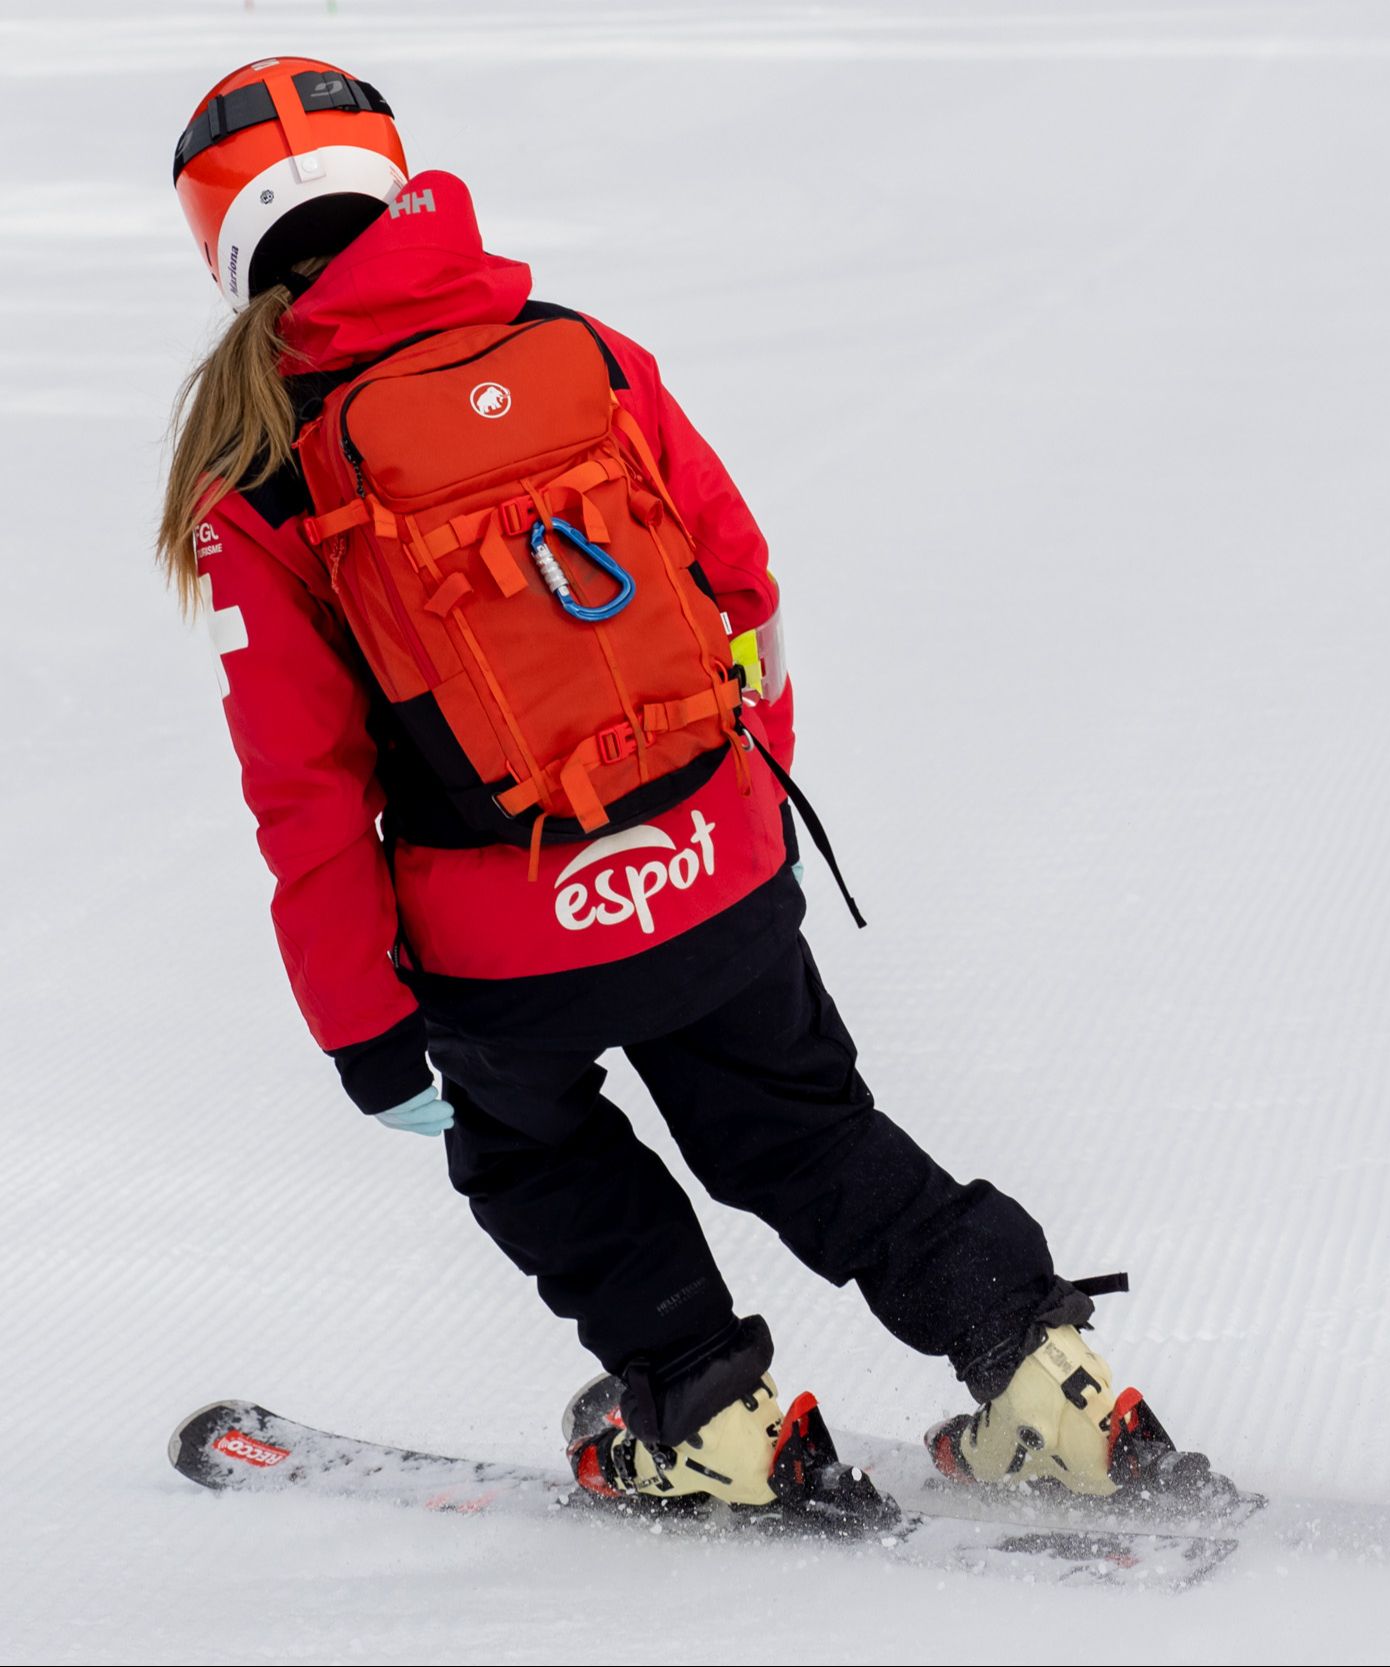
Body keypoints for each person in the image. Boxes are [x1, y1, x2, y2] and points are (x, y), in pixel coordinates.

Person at [161, 55, 1199, 1514]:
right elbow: (741, 586)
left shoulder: (261, 487)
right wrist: (739, 805)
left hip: (502, 939)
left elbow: (308, 792)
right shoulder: (580, 350)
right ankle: (1050, 1385)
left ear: (221, 248)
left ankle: (711, 1416)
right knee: (807, 1132)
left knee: (542, 1160)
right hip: (714, 862)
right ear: (391, 180)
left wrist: (366, 1029)